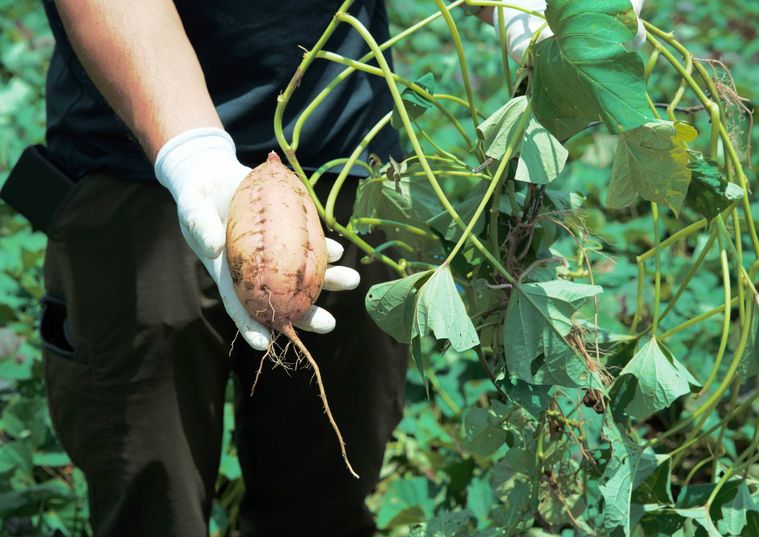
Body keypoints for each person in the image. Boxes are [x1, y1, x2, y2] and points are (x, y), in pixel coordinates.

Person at [38, 1, 646, 535]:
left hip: (350, 163)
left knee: (328, 496)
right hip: (133, 163)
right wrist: (189, 153)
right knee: (151, 501)